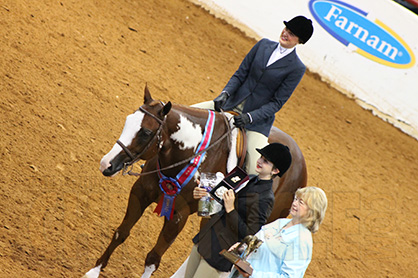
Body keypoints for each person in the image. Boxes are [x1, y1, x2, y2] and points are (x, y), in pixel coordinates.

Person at [192, 15, 313, 175]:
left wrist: (249, 117)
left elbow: (276, 103)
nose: (285, 34)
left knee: (254, 169)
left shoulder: (296, 68)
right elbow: (240, 74)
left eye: (291, 33)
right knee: (187, 115)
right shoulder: (263, 45)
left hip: (255, 122)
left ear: (300, 41)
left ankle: (233, 199)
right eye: (286, 29)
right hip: (231, 103)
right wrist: (225, 93)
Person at [182, 143, 292, 278]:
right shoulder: (249, 178)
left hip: (219, 253)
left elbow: (250, 234)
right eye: (261, 157)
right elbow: (220, 203)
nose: (259, 161)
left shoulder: (266, 198)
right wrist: (204, 196)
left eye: (266, 161)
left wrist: (231, 209)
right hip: (205, 238)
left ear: (275, 171)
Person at [229, 186, 328, 278]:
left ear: (312, 211)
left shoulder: (302, 240)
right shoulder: (280, 222)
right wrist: (241, 248)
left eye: (301, 202)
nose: (294, 203)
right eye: (296, 199)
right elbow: (256, 244)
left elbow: (288, 276)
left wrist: (254, 274)